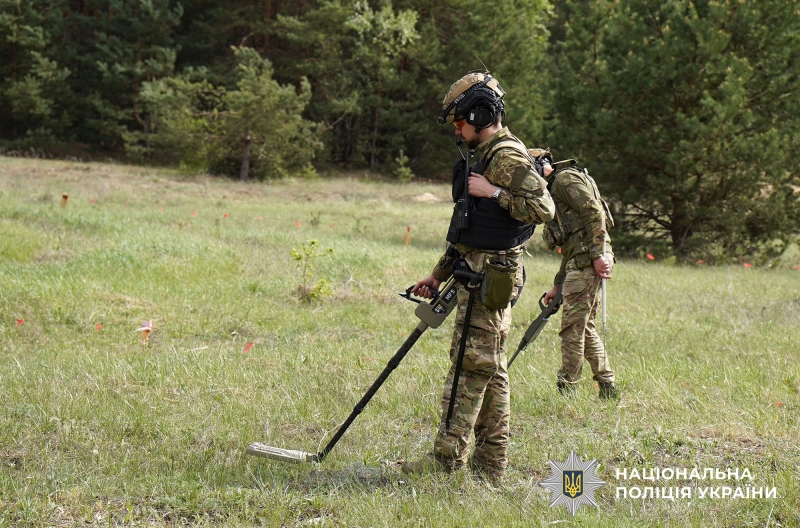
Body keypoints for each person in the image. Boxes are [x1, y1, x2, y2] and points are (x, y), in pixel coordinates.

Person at [404, 71, 555, 482]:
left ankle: (445, 461)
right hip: (478, 268)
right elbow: (470, 227)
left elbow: (543, 209)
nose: (457, 130)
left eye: (460, 122)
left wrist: (495, 194)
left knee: (470, 367)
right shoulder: (486, 154)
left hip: (490, 275)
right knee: (491, 367)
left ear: (481, 114)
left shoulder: (504, 157)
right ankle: (490, 467)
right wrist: (438, 274)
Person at [541, 158, 619, 399]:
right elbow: (572, 243)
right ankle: (607, 386)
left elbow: (594, 211)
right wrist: (558, 285)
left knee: (572, 328)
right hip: (583, 259)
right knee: (584, 327)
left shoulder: (563, 180)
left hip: (588, 259)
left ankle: (568, 388)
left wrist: (597, 255)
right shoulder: (557, 185)